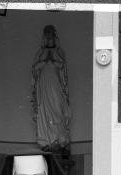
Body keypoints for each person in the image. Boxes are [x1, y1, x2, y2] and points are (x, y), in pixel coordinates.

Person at [31, 25, 71, 154]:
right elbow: (35, 68)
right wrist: (44, 62)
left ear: (55, 38)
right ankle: (45, 140)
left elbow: (62, 67)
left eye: (51, 36)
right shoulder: (40, 53)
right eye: (47, 37)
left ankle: (60, 140)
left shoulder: (59, 52)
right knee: (43, 111)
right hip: (43, 87)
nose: (49, 39)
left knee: (58, 109)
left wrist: (52, 62)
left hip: (56, 86)